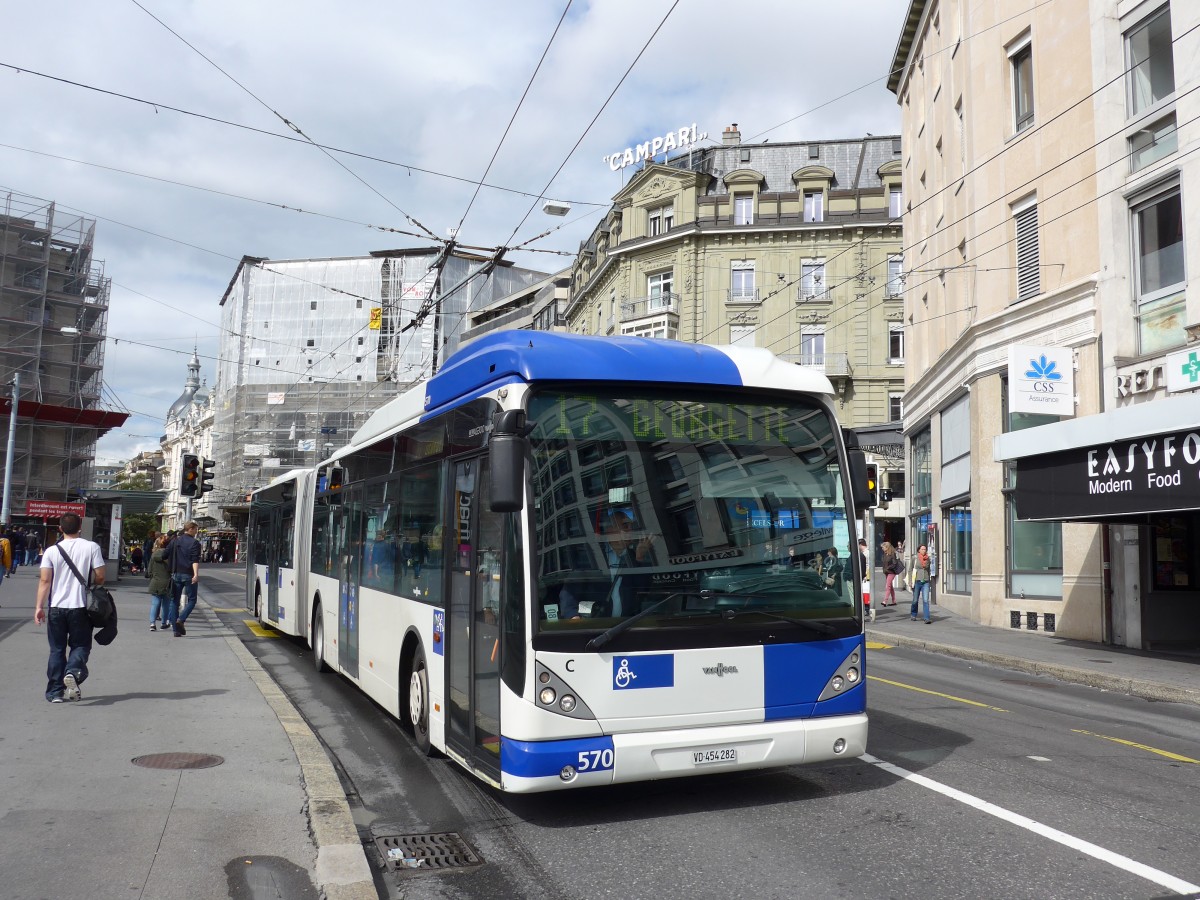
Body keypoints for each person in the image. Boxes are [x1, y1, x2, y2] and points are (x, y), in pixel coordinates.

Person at [34, 513, 105, 702]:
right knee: (80, 645)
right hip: (81, 606)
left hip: (57, 606)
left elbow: (45, 580)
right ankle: (73, 672)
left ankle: (55, 692)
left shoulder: (51, 551)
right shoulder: (92, 547)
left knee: (56, 649)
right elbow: (100, 576)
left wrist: (39, 607)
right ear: (80, 527)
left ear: (60, 528)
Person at [558, 510, 653, 619]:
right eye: (625, 526)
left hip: (626, 627)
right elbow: (569, 592)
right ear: (610, 530)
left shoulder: (633, 558)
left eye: (632, 526)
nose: (630, 530)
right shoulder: (592, 556)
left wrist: (639, 558)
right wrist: (573, 617)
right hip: (594, 628)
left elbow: (643, 591)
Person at [169, 521, 202, 636]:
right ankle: (181, 619)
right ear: (191, 529)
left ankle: (175, 631)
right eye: (196, 529)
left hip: (176, 574)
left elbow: (166, 554)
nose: (197, 532)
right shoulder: (195, 543)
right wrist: (196, 574)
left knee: (174, 601)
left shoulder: (175, 540)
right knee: (192, 600)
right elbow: (195, 560)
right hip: (188, 574)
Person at [909, 544, 933, 624]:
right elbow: (910, 570)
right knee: (915, 600)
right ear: (919, 550)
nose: (924, 551)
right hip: (917, 580)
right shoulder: (915, 558)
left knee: (926, 600)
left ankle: (926, 618)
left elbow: (929, 569)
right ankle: (913, 614)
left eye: (925, 549)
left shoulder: (928, 559)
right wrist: (910, 581)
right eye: (922, 549)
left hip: (925, 581)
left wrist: (929, 579)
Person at [881, 541, 899, 606]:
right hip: (886, 572)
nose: (882, 549)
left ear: (887, 547)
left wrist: (888, 567)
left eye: (883, 547)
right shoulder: (885, 554)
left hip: (891, 572)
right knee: (890, 587)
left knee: (888, 586)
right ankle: (894, 601)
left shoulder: (892, 554)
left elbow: (894, 563)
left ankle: (885, 601)